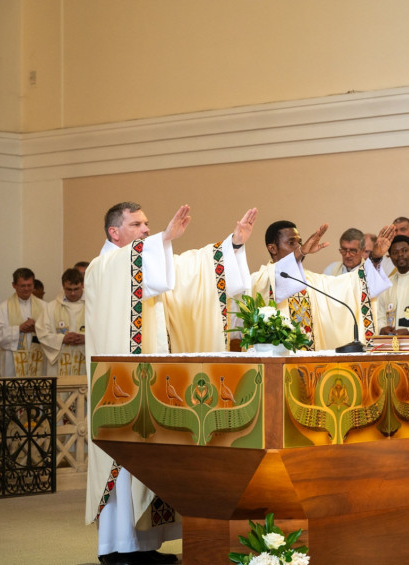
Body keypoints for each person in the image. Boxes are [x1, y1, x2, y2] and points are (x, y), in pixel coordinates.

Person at [85, 201, 257, 565]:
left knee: (155, 465)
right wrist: (163, 239)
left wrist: (234, 245)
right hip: (121, 387)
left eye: (147, 224)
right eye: (137, 225)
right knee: (125, 463)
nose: (146, 230)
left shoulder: (145, 261)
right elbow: (147, 274)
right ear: (114, 232)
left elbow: (190, 273)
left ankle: (144, 546)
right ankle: (117, 547)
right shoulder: (104, 267)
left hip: (153, 382)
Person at [249, 220, 394, 350]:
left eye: (300, 243)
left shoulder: (312, 281)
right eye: (291, 243)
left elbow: (353, 286)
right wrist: (301, 252)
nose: (299, 247)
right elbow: (276, 279)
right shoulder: (261, 279)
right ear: (272, 248)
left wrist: (375, 257)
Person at [0, 268, 47, 377]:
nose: (26, 289)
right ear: (14, 285)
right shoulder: (4, 308)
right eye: (22, 286)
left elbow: (52, 332)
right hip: (12, 363)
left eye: (29, 285)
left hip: (38, 359)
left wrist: (36, 328)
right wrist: (19, 329)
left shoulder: (44, 306)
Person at [36, 268, 85, 376]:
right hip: (59, 363)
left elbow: (103, 333)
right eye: (69, 289)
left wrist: (86, 339)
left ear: (82, 285)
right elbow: (42, 333)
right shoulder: (51, 307)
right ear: (63, 286)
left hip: (84, 362)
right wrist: (62, 339)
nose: (73, 293)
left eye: (76, 289)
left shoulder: (93, 306)